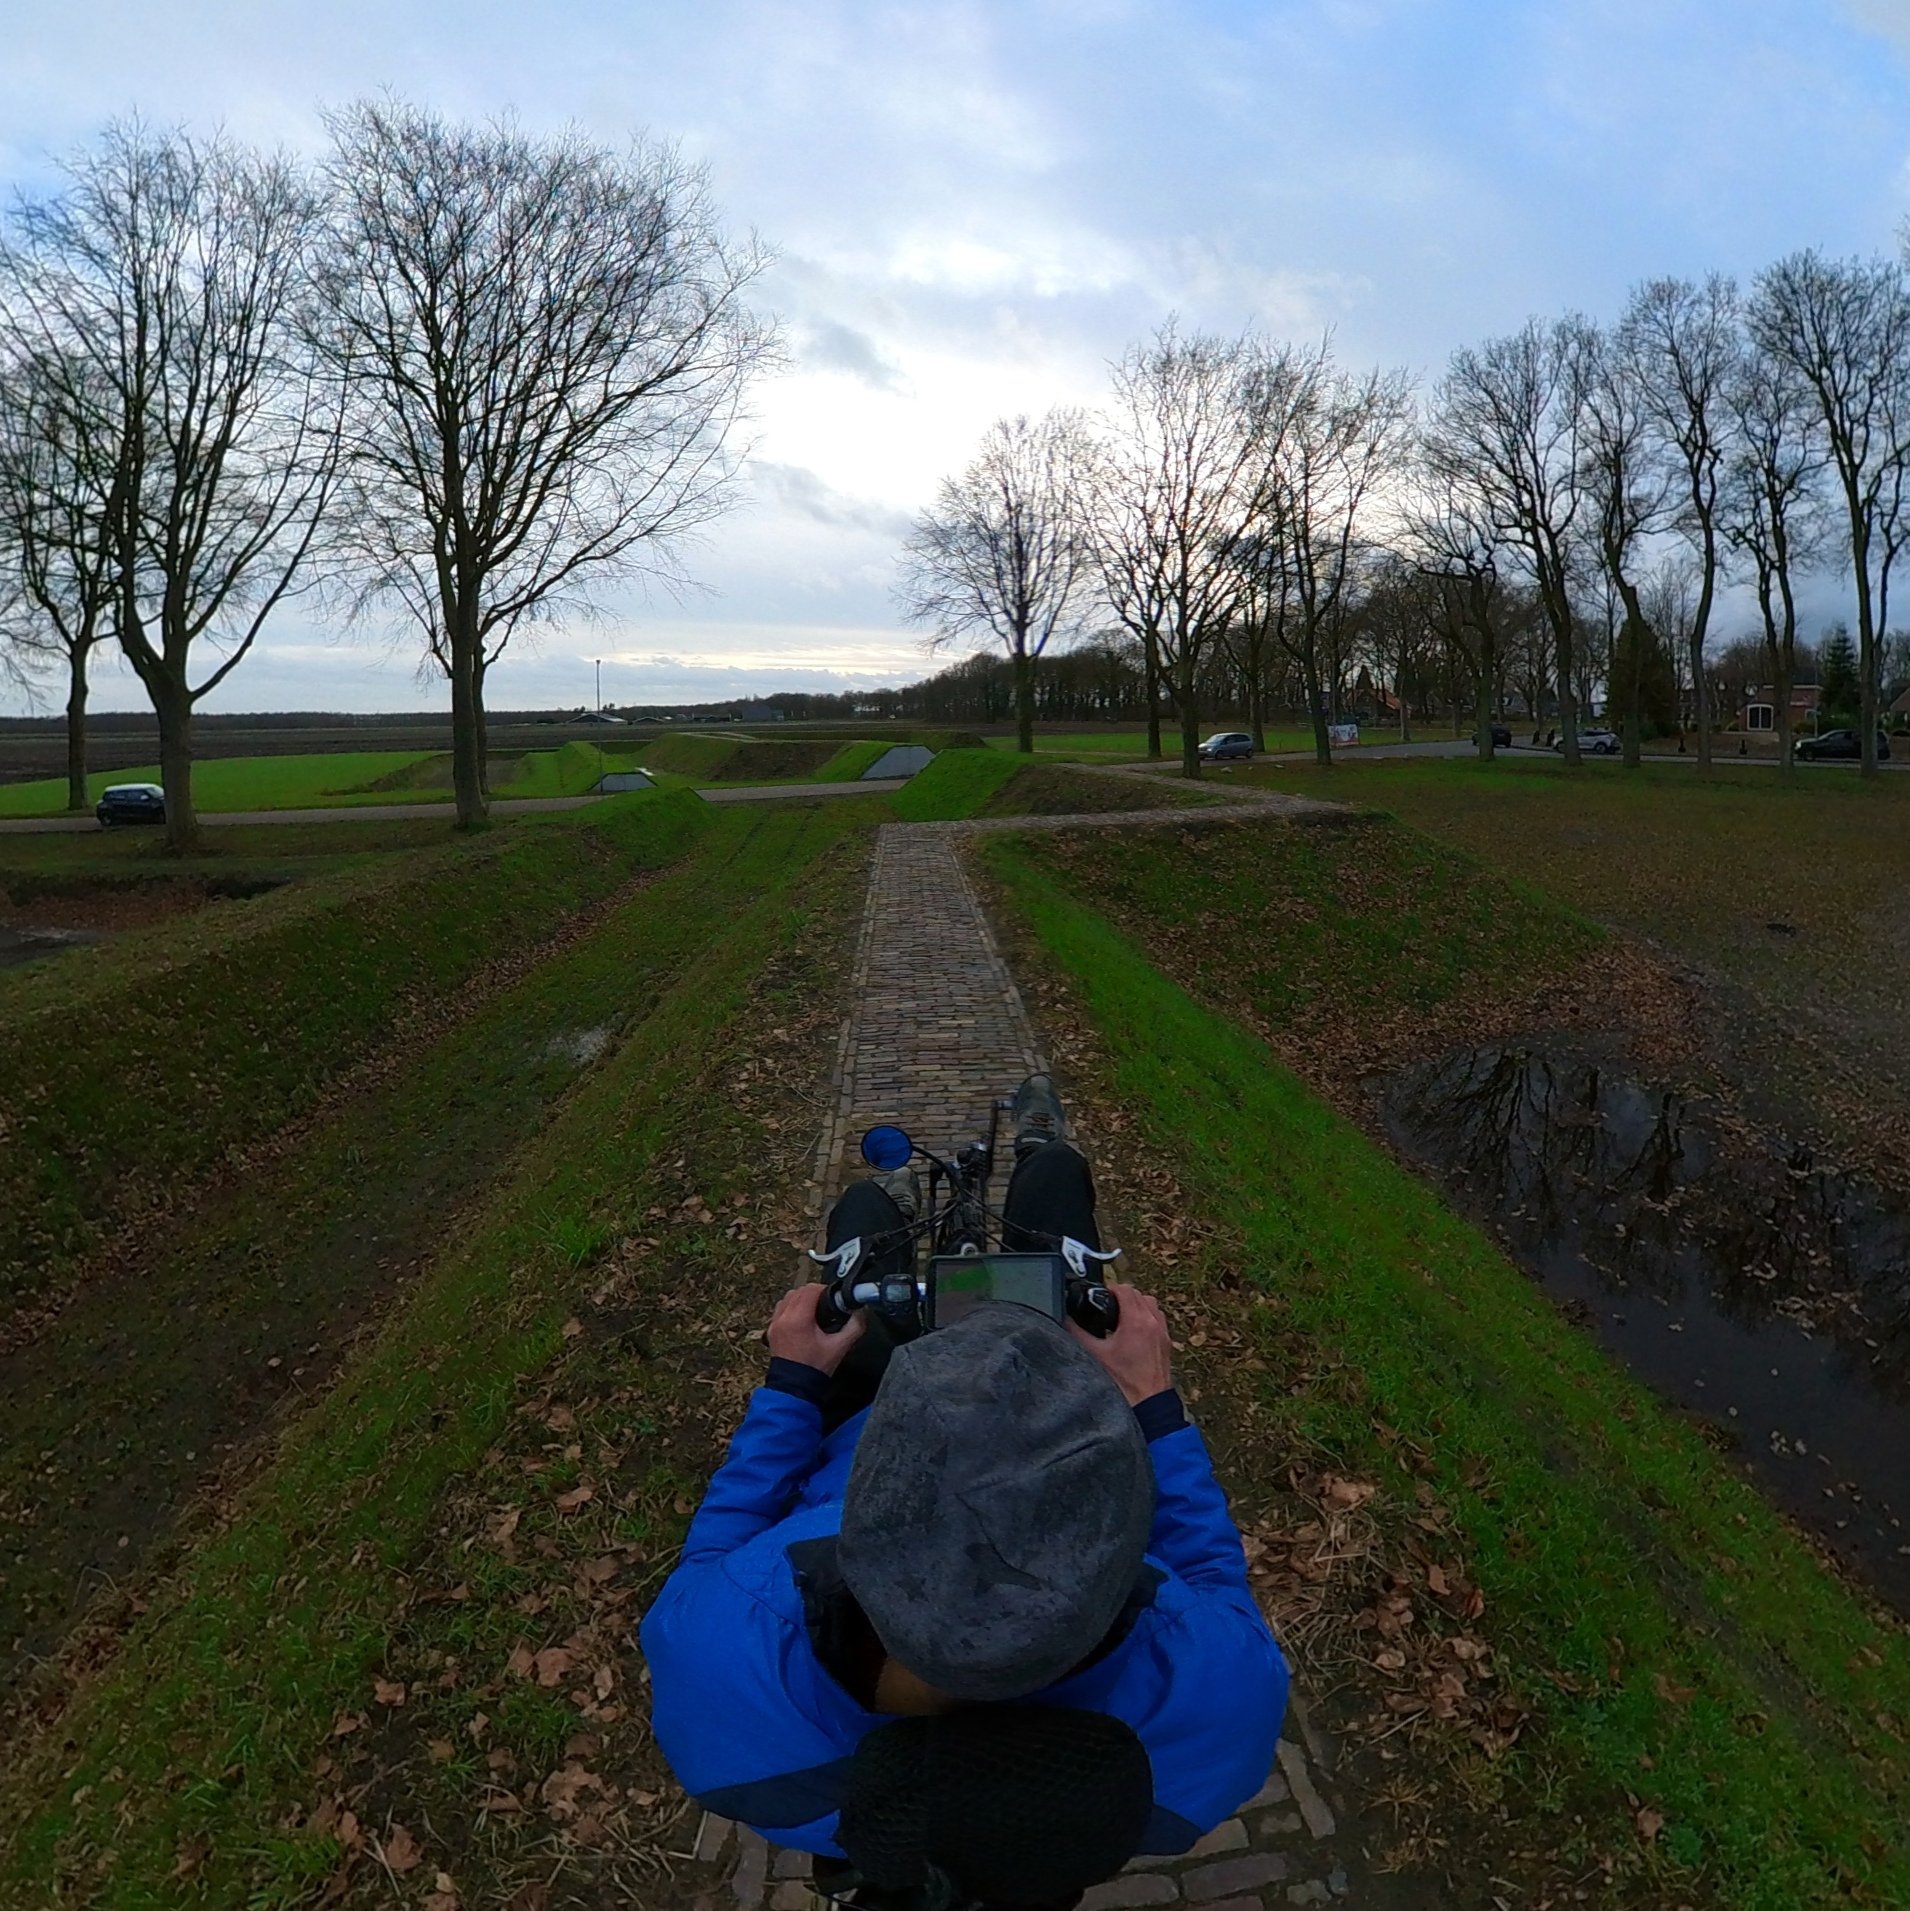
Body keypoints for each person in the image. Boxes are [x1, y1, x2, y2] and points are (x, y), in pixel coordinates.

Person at [639, 1077, 1288, 1910]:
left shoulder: (716, 1669)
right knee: (1057, 1182)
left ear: (867, 1524)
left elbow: (718, 1543)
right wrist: (1153, 1402)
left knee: (861, 1219)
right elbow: (1212, 1572)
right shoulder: (1226, 1701)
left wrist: (794, 1382)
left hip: (855, 1424)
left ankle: (890, 1194)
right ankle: (1040, 1149)